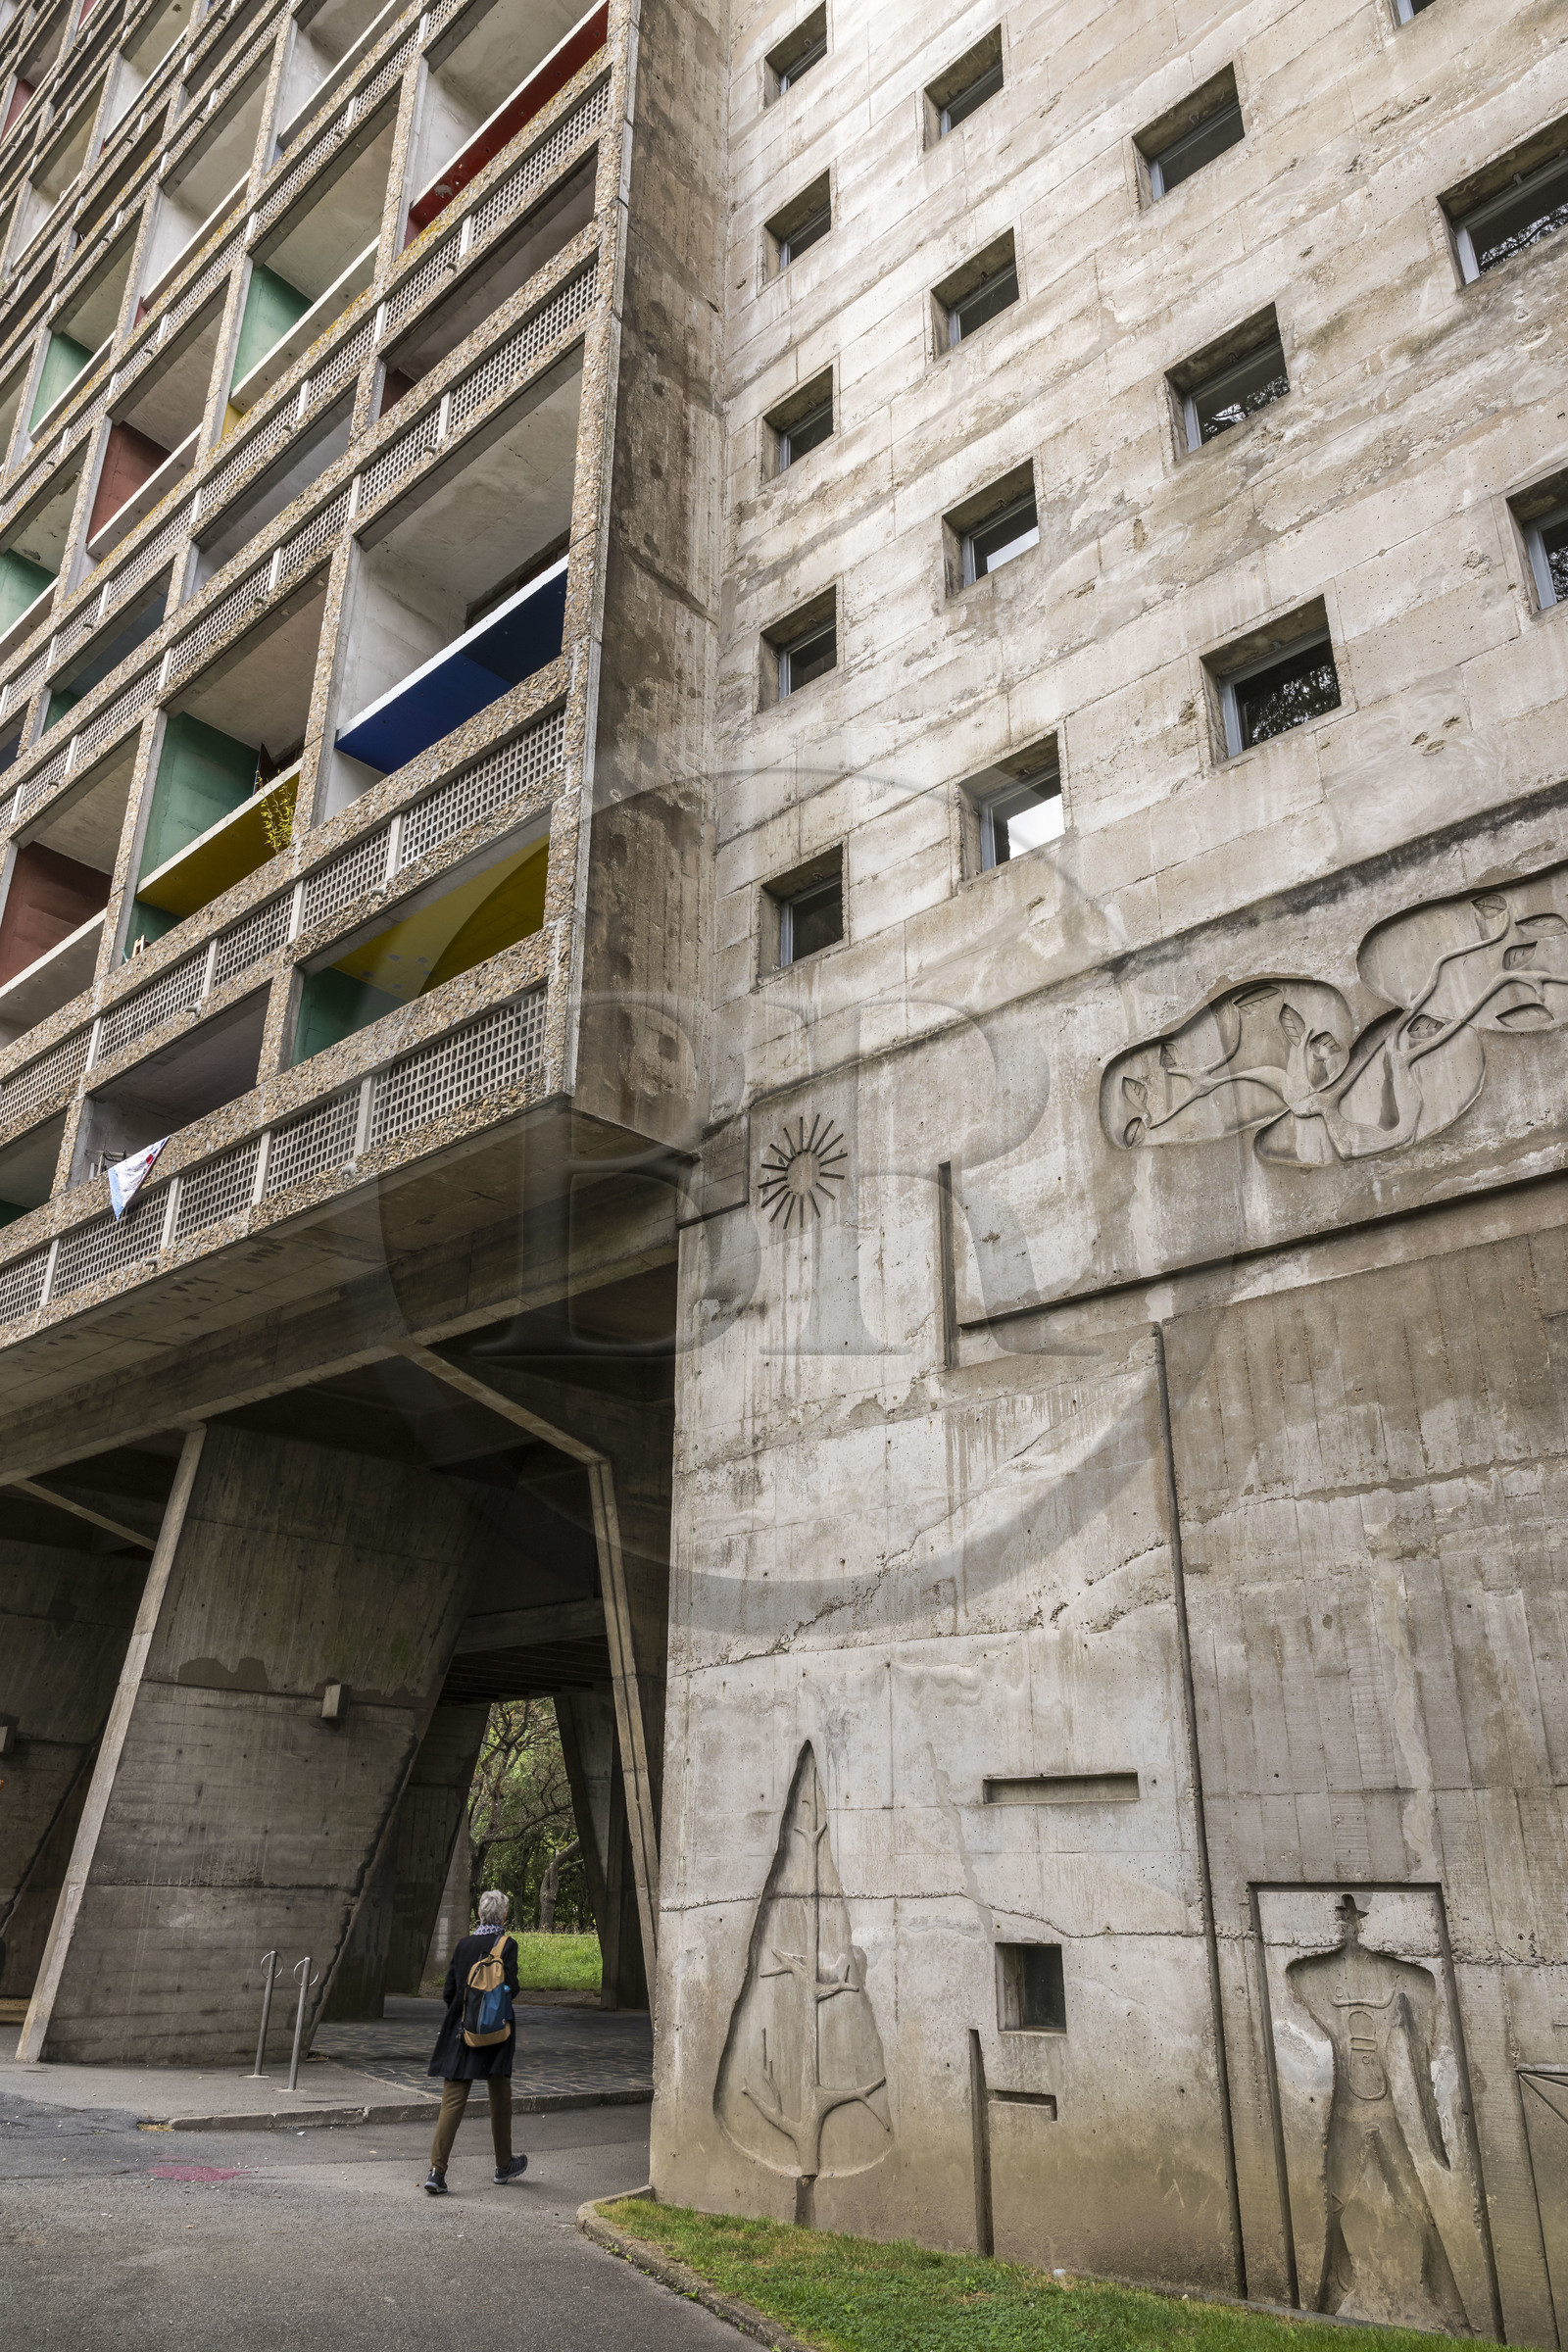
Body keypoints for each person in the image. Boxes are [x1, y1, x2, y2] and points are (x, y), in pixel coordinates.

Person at [422, 1888, 529, 2195]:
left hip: (461, 2033)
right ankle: (503, 2164)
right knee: (500, 2099)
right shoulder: (508, 1945)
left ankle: (436, 2172)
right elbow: (513, 1987)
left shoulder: (464, 1944)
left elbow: (449, 1991)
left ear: (479, 1915)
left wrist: (467, 2015)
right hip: (497, 2034)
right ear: (504, 1915)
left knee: (452, 2102)